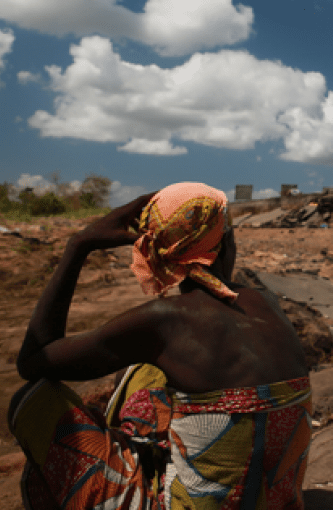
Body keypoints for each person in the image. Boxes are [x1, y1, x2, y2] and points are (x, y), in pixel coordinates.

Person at [8, 182, 311, 509]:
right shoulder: (265, 300)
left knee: (33, 398)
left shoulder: (163, 321)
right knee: (149, 371)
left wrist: (78, 245)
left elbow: (32, 362)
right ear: (226, 243)